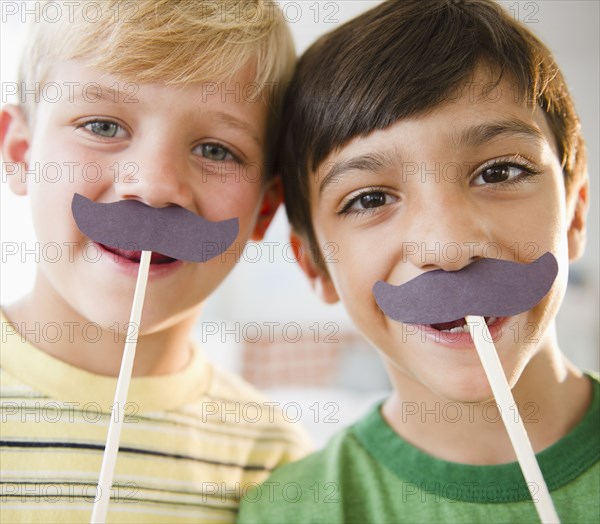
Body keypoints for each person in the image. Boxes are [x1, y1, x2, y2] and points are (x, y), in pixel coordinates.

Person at [237, 0, 599, 522]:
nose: (448, 249)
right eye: (369, 199)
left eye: (498, 173)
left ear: (575, 215)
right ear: (314, 265)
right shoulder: (292, 512)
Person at [0, 1, 312, 522]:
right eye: (102, 125)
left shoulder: (271, 462)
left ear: (265, 209)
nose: (154, 185)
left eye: (216, 151)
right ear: (21, 153)